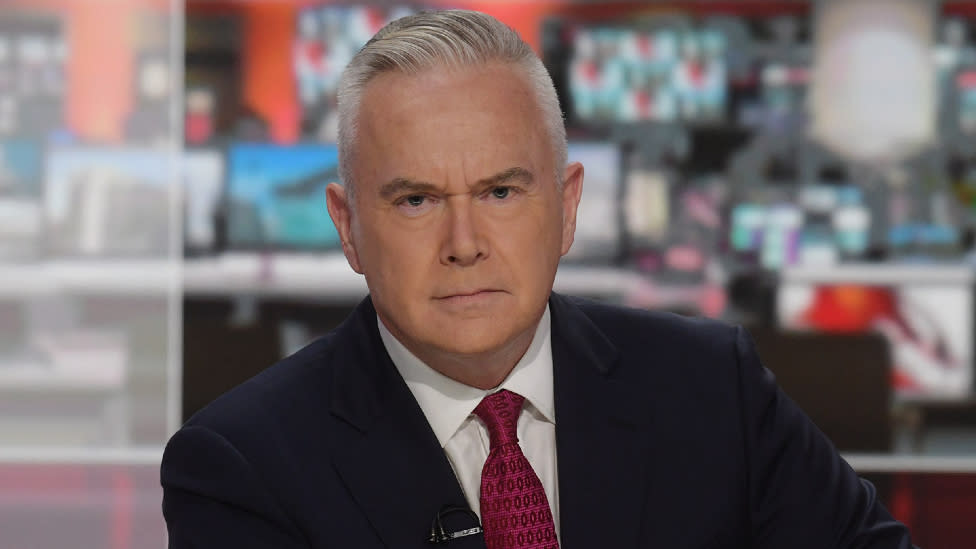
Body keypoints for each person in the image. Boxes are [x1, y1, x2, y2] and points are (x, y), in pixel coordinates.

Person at [161, 10, 916, 549]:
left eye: (501, 192)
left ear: (567, 206)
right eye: (416, 200)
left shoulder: (715, 388)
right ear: (348, 224)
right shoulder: (241, 465)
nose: (465, 244)